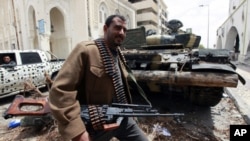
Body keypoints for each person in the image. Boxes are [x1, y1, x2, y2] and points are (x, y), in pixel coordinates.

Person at [49, 15, 149, 141]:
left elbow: (119, 88)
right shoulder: (86, 50)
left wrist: (129, 113)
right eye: (117, 28)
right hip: (95, 125)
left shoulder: (118, 53)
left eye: (124, 30)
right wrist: (77, 132)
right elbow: (60, 91)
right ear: (105, 28)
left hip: (122, 118)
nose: (122, 33)